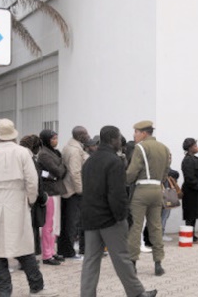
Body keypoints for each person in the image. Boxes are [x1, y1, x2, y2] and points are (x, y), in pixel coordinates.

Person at [0, 118, 57, 297]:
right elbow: (32, 181)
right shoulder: (23, 153)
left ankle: (4, 292)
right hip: (17, 201)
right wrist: (30, 200)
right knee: (24, 247)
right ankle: (36, 287)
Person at [80, 125, 157, 297]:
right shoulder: (114, 161)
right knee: (122, 258)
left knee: (90, 260)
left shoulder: (89, 161)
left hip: (90, 218)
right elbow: (117, 194)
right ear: (113, 139)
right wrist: (123, 217)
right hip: (110, 219)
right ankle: (138, 294)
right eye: (119, 138)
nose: (120, 141)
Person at [126, 120, 169, 276]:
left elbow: (132, 172)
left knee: (136, 226)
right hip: (157, 189)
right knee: (156, 226)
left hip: (142, 190)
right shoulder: (164, 148)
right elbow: (166, 172)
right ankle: (158, 263)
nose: (134, 135)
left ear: (144, 133)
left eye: (136, 132)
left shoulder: (140, 147)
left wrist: (124, 181)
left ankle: (132, 263)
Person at [37, 129, 67, 266]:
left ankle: (52, 251)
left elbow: (60, 171)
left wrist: (60, 168)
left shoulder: (54, 152)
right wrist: (61, 167)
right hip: (49, 192)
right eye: (53, 138)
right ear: (46, 140)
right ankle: (46, 254)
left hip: (56, 190)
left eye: (56, 138)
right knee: (48, 225)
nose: (55, 140)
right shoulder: (44, 154)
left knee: (55, 224)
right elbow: (59, 171)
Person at [59, 126, 90, 259]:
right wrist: (80, 190)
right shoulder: (75, 151)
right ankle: (69, 252)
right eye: (85, 133)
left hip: (67, 189)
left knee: (67, 222)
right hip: (73, 191)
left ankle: (65, 249)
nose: (88, 135)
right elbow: (75, 172)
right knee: (72, 222)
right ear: (80, 136)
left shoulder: (69, 147)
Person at [19, 135, 49, 256]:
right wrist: (42, 197)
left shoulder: (21, 156)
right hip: (31, 199)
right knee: (31, 228)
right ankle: (29, 256)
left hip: (23, 197)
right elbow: (34, 181)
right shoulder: (28, 159)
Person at [180, 138, 198, 244]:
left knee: (193, 214)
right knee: (190, 214)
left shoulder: (194, 159)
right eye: (195, 145)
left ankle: (192, 235)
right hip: (190, 192)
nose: (197, 147)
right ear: (190, 147)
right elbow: (189, 177)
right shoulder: (187, 160)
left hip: (195, 191)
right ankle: (190, 236)